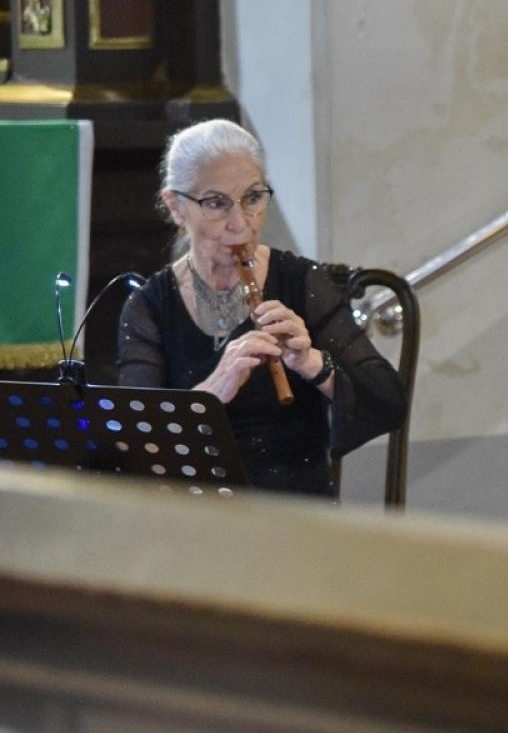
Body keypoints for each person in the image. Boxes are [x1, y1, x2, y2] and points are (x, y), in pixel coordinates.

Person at [118, 120, 406, 498]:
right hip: (192, 520)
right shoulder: (149, 307)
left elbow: (389, 401)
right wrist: (210, 395)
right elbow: (135, 445)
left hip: (293, 515)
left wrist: (313, 364)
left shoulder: (302, 282)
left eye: (253, 198)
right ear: (176, 207)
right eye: (216, 203)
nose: (241, 225)